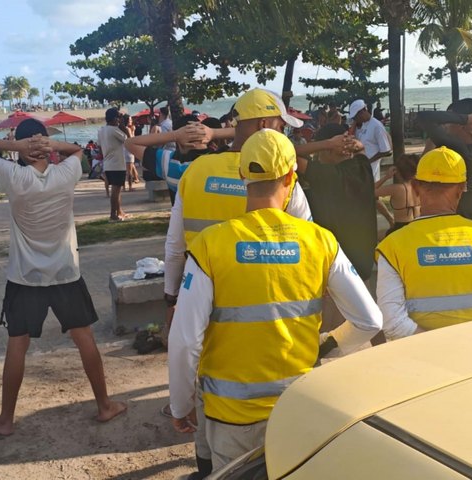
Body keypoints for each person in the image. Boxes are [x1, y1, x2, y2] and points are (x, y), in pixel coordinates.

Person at [168, 129, 383, 470]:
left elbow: (185, 340)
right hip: (298, 408)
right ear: (289, 177)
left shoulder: (210, 244)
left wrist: (181, 406)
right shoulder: (321, 241)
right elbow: (370, 320)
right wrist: (328, 345)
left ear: (243, 175)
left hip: (231, 417)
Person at [164, 88, 312, 480]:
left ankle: (207, 462)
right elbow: (306, 241)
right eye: (281, 125)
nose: (284, 132)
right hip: (267, 311)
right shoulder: (284, 179)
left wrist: (170, 296)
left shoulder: (195, 172)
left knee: (208, 386)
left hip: (201, 301)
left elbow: (174, 247)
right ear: (265, 124)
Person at [0, 119, 126, 436]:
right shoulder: (65, 173)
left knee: (17, 344)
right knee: (84, 338)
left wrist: (15, 146)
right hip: (66, 272)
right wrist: (49, 145)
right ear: (46, 146)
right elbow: (77, 150)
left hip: (25, 277)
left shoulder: (13, 175)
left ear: (22, 147)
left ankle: (6, 420)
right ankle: (104, 405)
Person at [375, 147, 472, 341]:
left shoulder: (392, 247)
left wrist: (442, 348)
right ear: (461, 189)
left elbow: (393, 324)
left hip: (423, 357)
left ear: (415, 187)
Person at [295, 123, 377, 281]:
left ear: (328, 149)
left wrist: (328, 143)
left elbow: (282, 153)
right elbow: (361, 150)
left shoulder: (326, 175)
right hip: (364, 264)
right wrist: (355, 145)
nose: (317, 157)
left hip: (337, 268)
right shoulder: (363, 168)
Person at [125, 114, 228, 205]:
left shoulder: (172, 164)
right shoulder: (224, 158)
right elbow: (238, 134)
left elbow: (129, 143)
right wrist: (213, 132)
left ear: (178, 141)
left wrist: (175, 135)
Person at [417, 98, 472, 221]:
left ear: (461, 125)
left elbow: (423, 117)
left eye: (449, 121)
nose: (445, 126)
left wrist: (465, 119)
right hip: (470, 216)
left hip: (451, 218)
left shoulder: (461, 149)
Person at [375, 153, 421, 235]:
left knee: (375, 235)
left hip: (401, 228)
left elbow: (368, 192)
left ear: (397, 172)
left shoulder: (397, 189)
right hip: (417, 226)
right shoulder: (420, 186)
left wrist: (386, 177)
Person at [348, 99, 392, 181]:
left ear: (363, 111)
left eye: (356, 117)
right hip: (362, 168)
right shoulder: (362, 125)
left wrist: (368, 161)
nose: (355, 120)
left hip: (371, 169)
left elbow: (386, 150)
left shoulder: (376, 126)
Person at [98, 108, 128, 221]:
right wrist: (123, 126)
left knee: (117, 190)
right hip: (117, 164)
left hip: (108, 164)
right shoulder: (114, 130)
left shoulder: (101, 130)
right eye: (118, 118)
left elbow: (99, 147)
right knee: (116, 191)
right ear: (115, 118)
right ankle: (113, 214)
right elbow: (128, 139)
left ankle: (119, 211)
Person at [119, 114, 139, 191]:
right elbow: (131, 139)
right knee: (129, 171)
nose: (131, 121)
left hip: (123, 150)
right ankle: (130, 186)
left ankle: (124, 187)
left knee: (124, 171)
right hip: (129, 151)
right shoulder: (128, 129)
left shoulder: (121, 128)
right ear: (127, 120)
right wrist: (133, 131)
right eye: (130, 120)